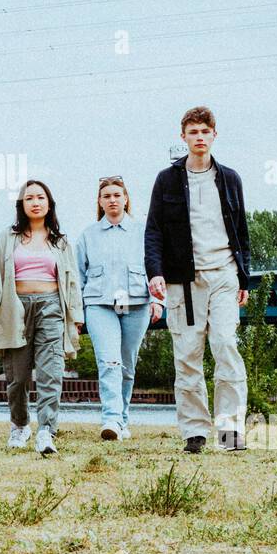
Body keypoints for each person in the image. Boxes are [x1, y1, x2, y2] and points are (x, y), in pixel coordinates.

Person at [145, 106, 252, 453]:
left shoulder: (230, 178)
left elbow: (242, 232)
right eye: (193, 132)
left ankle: (230, 431)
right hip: (183, 282)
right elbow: (154, 231)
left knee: (225, 345)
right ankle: (194, 431)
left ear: (214, 135)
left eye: (205, 131)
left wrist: (244, 279)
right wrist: (155, 272)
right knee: (187, 355)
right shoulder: (167, 180)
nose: (200, 137)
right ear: (184, 138)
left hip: (224, 274)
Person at [0, 179, 83, 455]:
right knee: (18, 377)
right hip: (15, 308)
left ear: (49, 204)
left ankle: (47, 431)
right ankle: (20, 425)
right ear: (22, 205)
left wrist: (75, 317)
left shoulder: (60, 242)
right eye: (29, 198)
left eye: (40, 197)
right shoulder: (7, 238)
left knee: (51, 374)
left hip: (51, 308)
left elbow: (72, 283)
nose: (35, 202)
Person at [76, 176, 162, 441]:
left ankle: (123, 419)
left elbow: (156, 266)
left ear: (126, 198)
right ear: (100, 202)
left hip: (136, 303)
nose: (112, 200)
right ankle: (110, 419)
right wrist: (77, 313)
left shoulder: (143, 231)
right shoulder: (88, 235)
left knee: (127, 365)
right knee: (109, 362)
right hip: (100, 305)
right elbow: (78, 276)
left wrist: (159, 300)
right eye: (107, 196)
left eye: (117, 195)